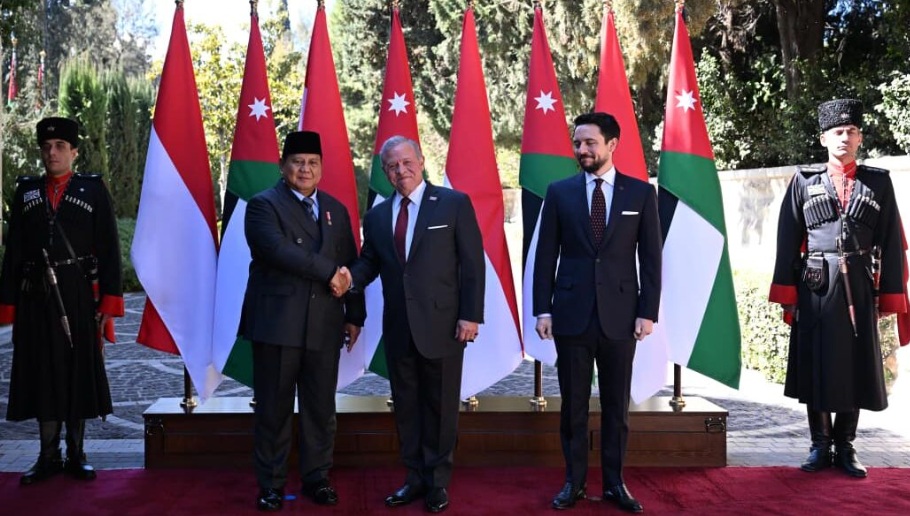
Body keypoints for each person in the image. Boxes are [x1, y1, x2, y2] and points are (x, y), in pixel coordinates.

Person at [346, 135, 484, 514]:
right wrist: (346, 279)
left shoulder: (453, 204)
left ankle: (438, 483)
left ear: (421, 161)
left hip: (445, 326)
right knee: (406, 406)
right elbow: (369, 263)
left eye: (406, 162)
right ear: (386, 172)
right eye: (392, 166)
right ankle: (414, 478)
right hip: (399, 328)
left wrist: (470, 315)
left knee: (440, 408)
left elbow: (472, 265)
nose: (400, 170)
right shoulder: (376, 216)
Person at [769, 99, 907, 479]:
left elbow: (891, 241)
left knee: (855, 364)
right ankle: (819, 444)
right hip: (815, 285)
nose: (844, 138)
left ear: (860, 137)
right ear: (823, 138)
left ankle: (845, 446)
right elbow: (786, 241)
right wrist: (788, 296)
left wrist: (890, 294)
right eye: (837, 132)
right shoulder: (804, 180)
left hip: (859, 286)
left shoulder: (878, 182)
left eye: (851, 131)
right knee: (816, 364)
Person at [533, 112, 661, 513]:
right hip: (570, 315)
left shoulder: (641, 194)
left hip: (622, 318)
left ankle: (613, 483)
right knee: (572, 405)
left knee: (616, 407)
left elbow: (651, 259)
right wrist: (542, 309)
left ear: (612, 145)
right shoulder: (559, 192)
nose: (582, 150)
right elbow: (544, 257)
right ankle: (573, 483)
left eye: (590, 143)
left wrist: (648, 312)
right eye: (577, 143)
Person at [241, 130, 364, 511]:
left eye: (312, 163)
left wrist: (355, 315)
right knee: (274, 409)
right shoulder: (263, 205)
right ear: (283, 166)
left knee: (320, 409)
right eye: (297, 162)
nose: (305, 169)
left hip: (324, 325)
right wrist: (330, 272)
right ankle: (272, 484)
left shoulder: (335, 209)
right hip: (279, 325)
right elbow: (278, 252)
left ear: (322, 168)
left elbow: (352, 264)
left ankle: (317, 478)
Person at [0, 116, 123, 485]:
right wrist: (8, 303)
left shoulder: (93, 190)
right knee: (42, 371)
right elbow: (14, 251)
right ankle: (47, 455)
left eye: (59, 147)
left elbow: (110, 250)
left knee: (76, 370)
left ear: (74, 152)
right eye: (46, 147)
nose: (52, 153)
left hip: (77, 292)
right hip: (36, 295)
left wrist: (108, 306)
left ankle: (77, 453)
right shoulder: (26, 192)